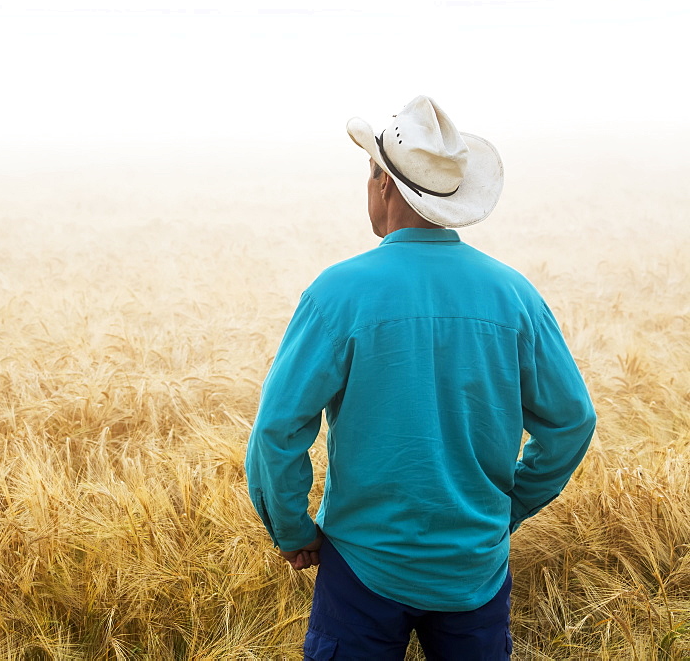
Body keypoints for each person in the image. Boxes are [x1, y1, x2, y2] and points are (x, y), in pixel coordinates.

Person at [244, 95, 596, 660]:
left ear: (384, 184)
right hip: (474, 571)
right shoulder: (514, 295)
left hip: (361, 567)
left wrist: (293, 528)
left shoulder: (339, 293)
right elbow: (573, 423)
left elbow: (277, 432)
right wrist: (507, 509)